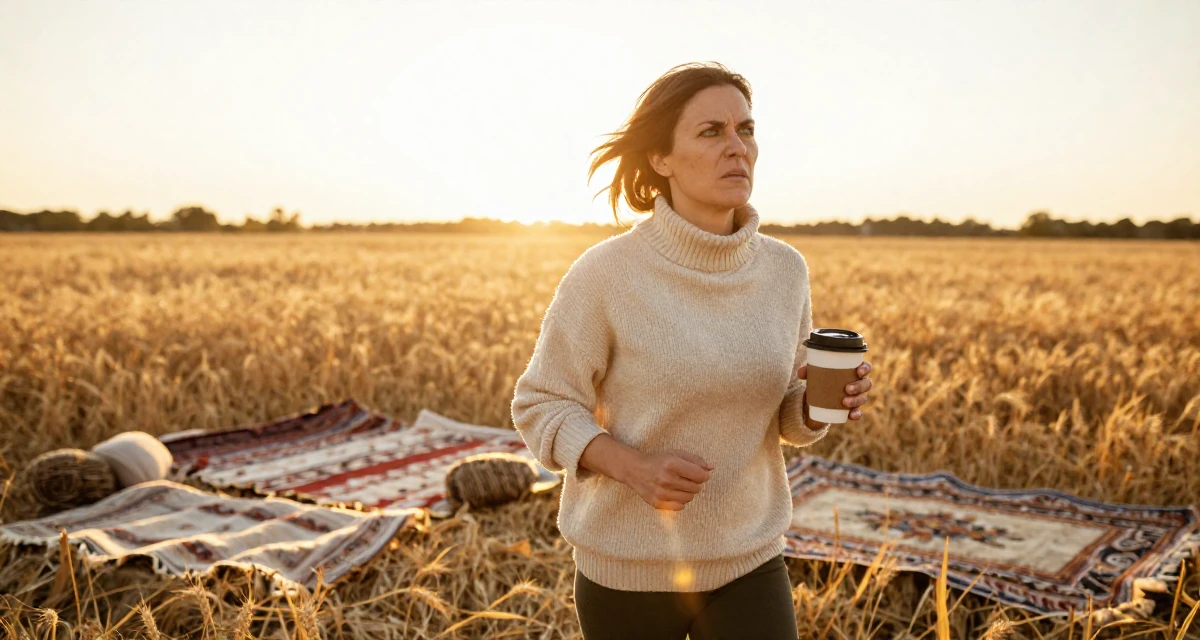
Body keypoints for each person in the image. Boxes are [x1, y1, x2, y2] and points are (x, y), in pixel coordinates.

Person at [510, 61, 874, 640]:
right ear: (661, 158)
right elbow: (541, 404)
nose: (737, 148)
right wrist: (632, 467)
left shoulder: (785, 271)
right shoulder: (605, 275)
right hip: (626, 570)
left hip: (748, 559)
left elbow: (780, 412)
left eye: (746, 130)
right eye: (711, 132)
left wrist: (812, 407)